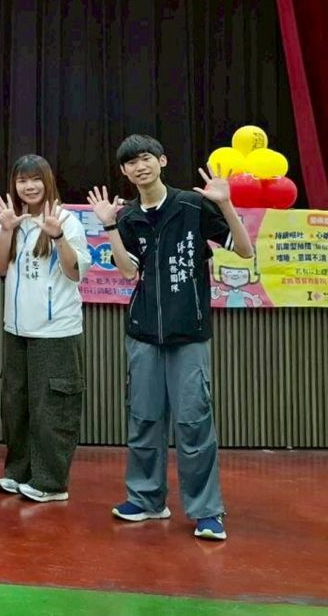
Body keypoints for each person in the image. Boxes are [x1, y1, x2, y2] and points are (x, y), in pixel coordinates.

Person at [88, 134, 253, 542]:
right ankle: (146, 500)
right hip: (143, 332)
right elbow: (128, 271)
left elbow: (245, 251)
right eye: (131, 163)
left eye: (146, 158)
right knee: (144, 418)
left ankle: (207, 512)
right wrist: (109, 226)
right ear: (125, 172)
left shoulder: (193, 205)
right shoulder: (128, 217)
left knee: (194, 422)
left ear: (161, 161)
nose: (140, 167)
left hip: (188, 333)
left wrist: (226, 203)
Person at [0, 155, 91, 502]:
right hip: (16, 329)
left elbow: (75, 272)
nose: (29, 186)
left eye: (35, 179)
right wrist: (6, 229)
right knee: (15, 404)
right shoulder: (13, 220)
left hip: (56, 331)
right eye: (22, 180)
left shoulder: (66, 220)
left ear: (48, 181)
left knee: (53, 408)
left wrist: (58, 236)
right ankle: (18, 472)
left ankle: (51, 482)